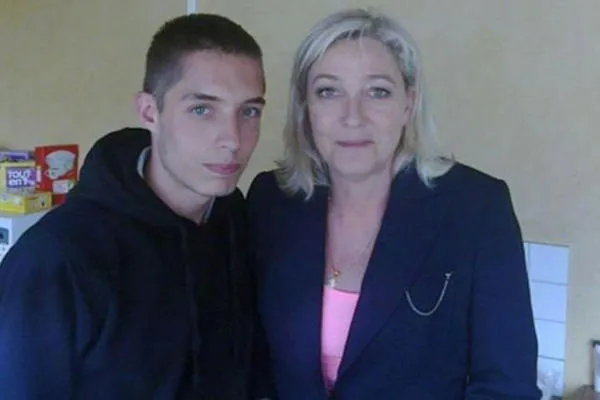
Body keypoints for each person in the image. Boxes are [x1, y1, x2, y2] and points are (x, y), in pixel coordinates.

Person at [248, 8, 540, 400]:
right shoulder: (271, 200)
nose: (353, 117)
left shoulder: (476, 208)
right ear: (306, 109)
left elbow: (507, 386)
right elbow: (252, 361)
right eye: (328, 92)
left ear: (408, 104)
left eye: (378, 92)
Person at [0, 13, 266, 399]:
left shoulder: (236, 220)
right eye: (202, 109)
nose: (233, 139)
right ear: (149, 112)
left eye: (249, 111)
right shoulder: (58, 258)